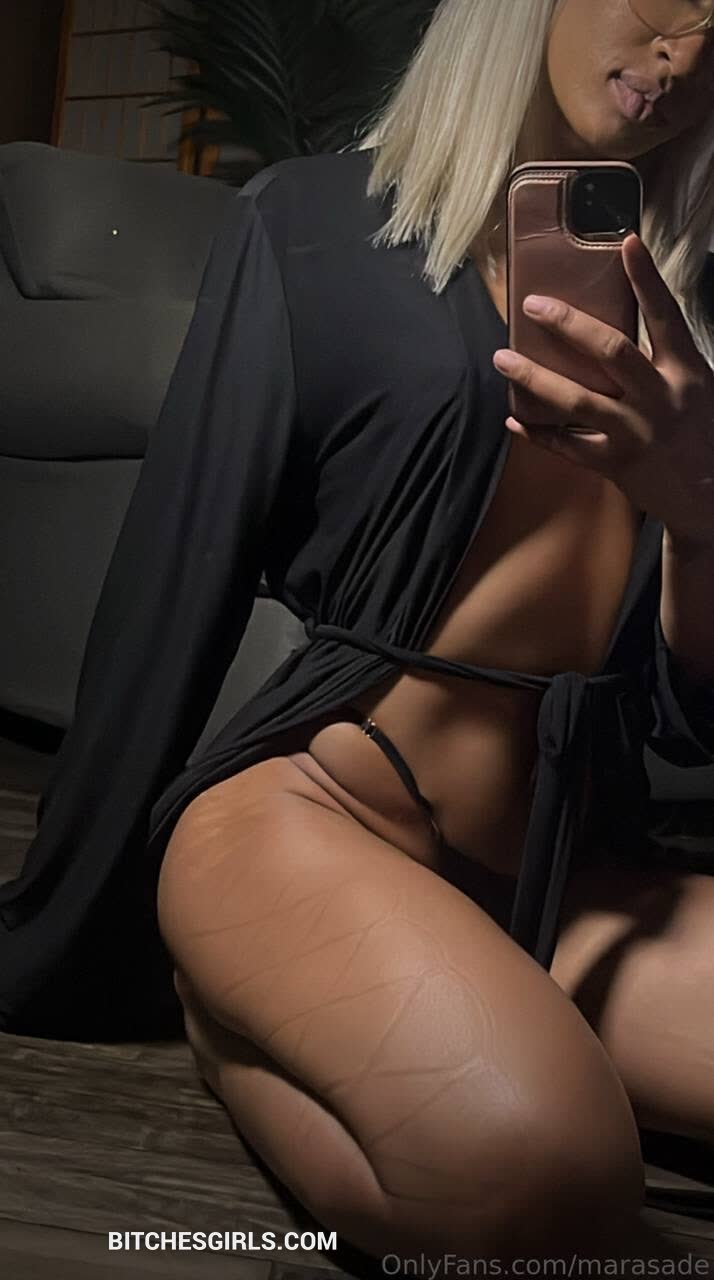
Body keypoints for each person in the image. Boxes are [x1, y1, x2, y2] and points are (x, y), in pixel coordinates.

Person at [1, 0, 714, 1264]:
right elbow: (184, 553)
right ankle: (232, 1018)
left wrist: (700, 507)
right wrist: (89, 909)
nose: (687, 50)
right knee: (545, 1186)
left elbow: (689, 713)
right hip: (323, 810)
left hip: (575, 872)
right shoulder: (317, 221)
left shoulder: (693, 299)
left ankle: (479, 1009)